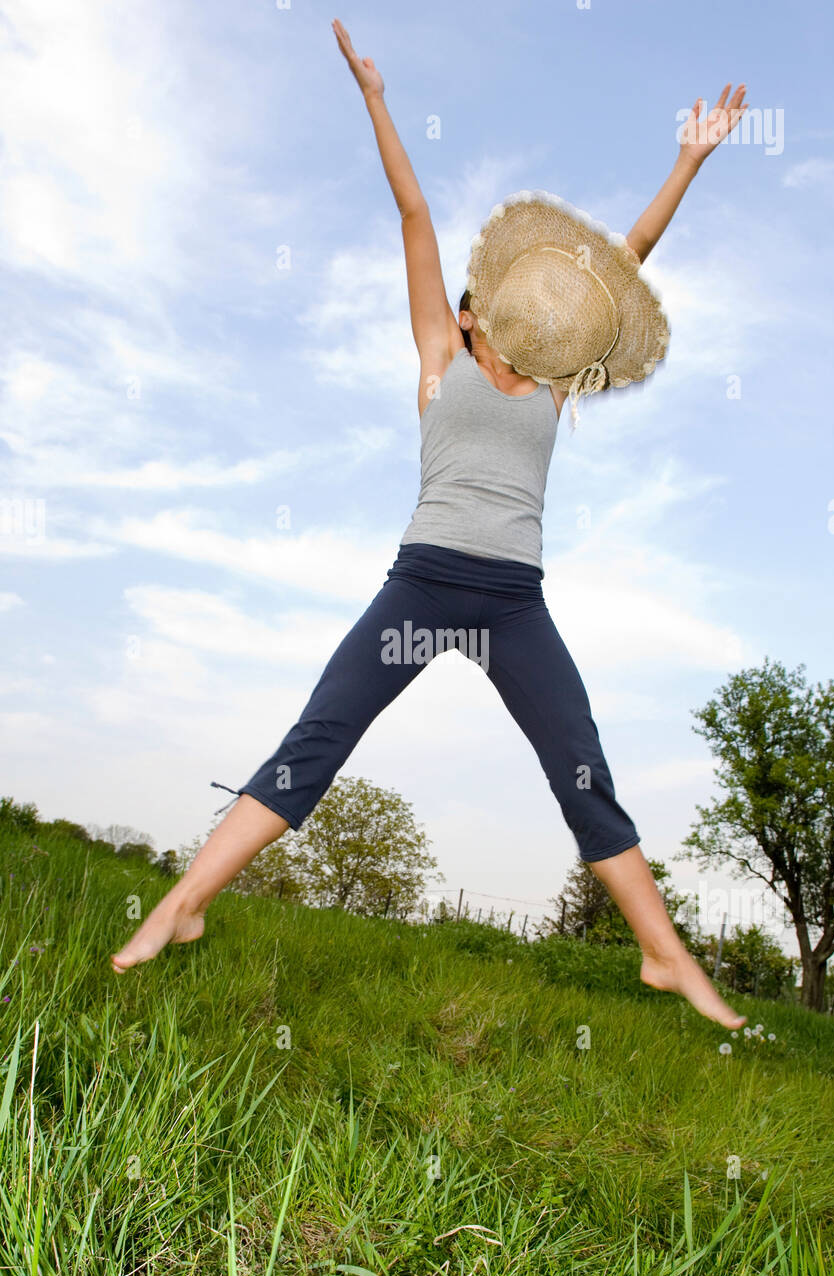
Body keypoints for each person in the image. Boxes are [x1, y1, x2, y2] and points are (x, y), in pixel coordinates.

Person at [112, 18, 748, 1031]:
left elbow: (622, 261)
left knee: (581, 764)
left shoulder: (552, 383)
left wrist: (690, 158)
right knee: (317, 740)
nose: (513, 326)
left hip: (511, 602)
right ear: (468, 316)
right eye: (493, 311)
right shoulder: (437, 359)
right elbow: (413, 211)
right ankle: (180, 905)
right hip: (420, 584)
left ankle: (666, 958)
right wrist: (375, 98)